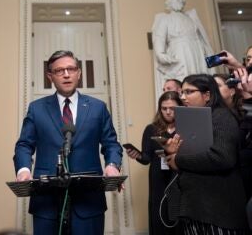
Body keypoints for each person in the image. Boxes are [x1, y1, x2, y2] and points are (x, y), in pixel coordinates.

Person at [13, 50, 123, 235]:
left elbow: (111, 144)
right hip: (47, 199)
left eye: (71, 69)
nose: (66, 74)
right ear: (50, 76)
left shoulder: (98, 107)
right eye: (59, 70)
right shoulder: (36, 108)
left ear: (79, 73)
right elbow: (24, 145)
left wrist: (112, 166)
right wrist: (23, 170)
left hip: (88, 199)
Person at [165, 74, 248, 234]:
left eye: (189, 92)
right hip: (196, 208)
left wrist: (179, 159)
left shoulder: (221, 117)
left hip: (218, 212)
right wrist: (174, 152)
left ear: (207, 95)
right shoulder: (195, 119)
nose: (183, 97)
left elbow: (222, 157)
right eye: (182, 92)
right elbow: (194, 158)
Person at [127, 91, 182, 235]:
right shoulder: (151, 129)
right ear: (160, 109)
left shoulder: (185, 128)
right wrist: (137, 155)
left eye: (172, 108)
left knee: (178, 215)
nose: (168, 112)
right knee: (159, 215)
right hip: (158, 177)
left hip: (179, 175)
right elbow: (146, 159)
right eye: (164, 108)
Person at [152, 0, 214, 101]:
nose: (178, 0)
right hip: (179, 54)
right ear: (169, 2)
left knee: (198, 81)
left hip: (195, 53)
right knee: (184, 82)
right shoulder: (165, 19)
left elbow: (200, 38)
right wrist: (161, 54)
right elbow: (159, 38)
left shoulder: (191, 18)